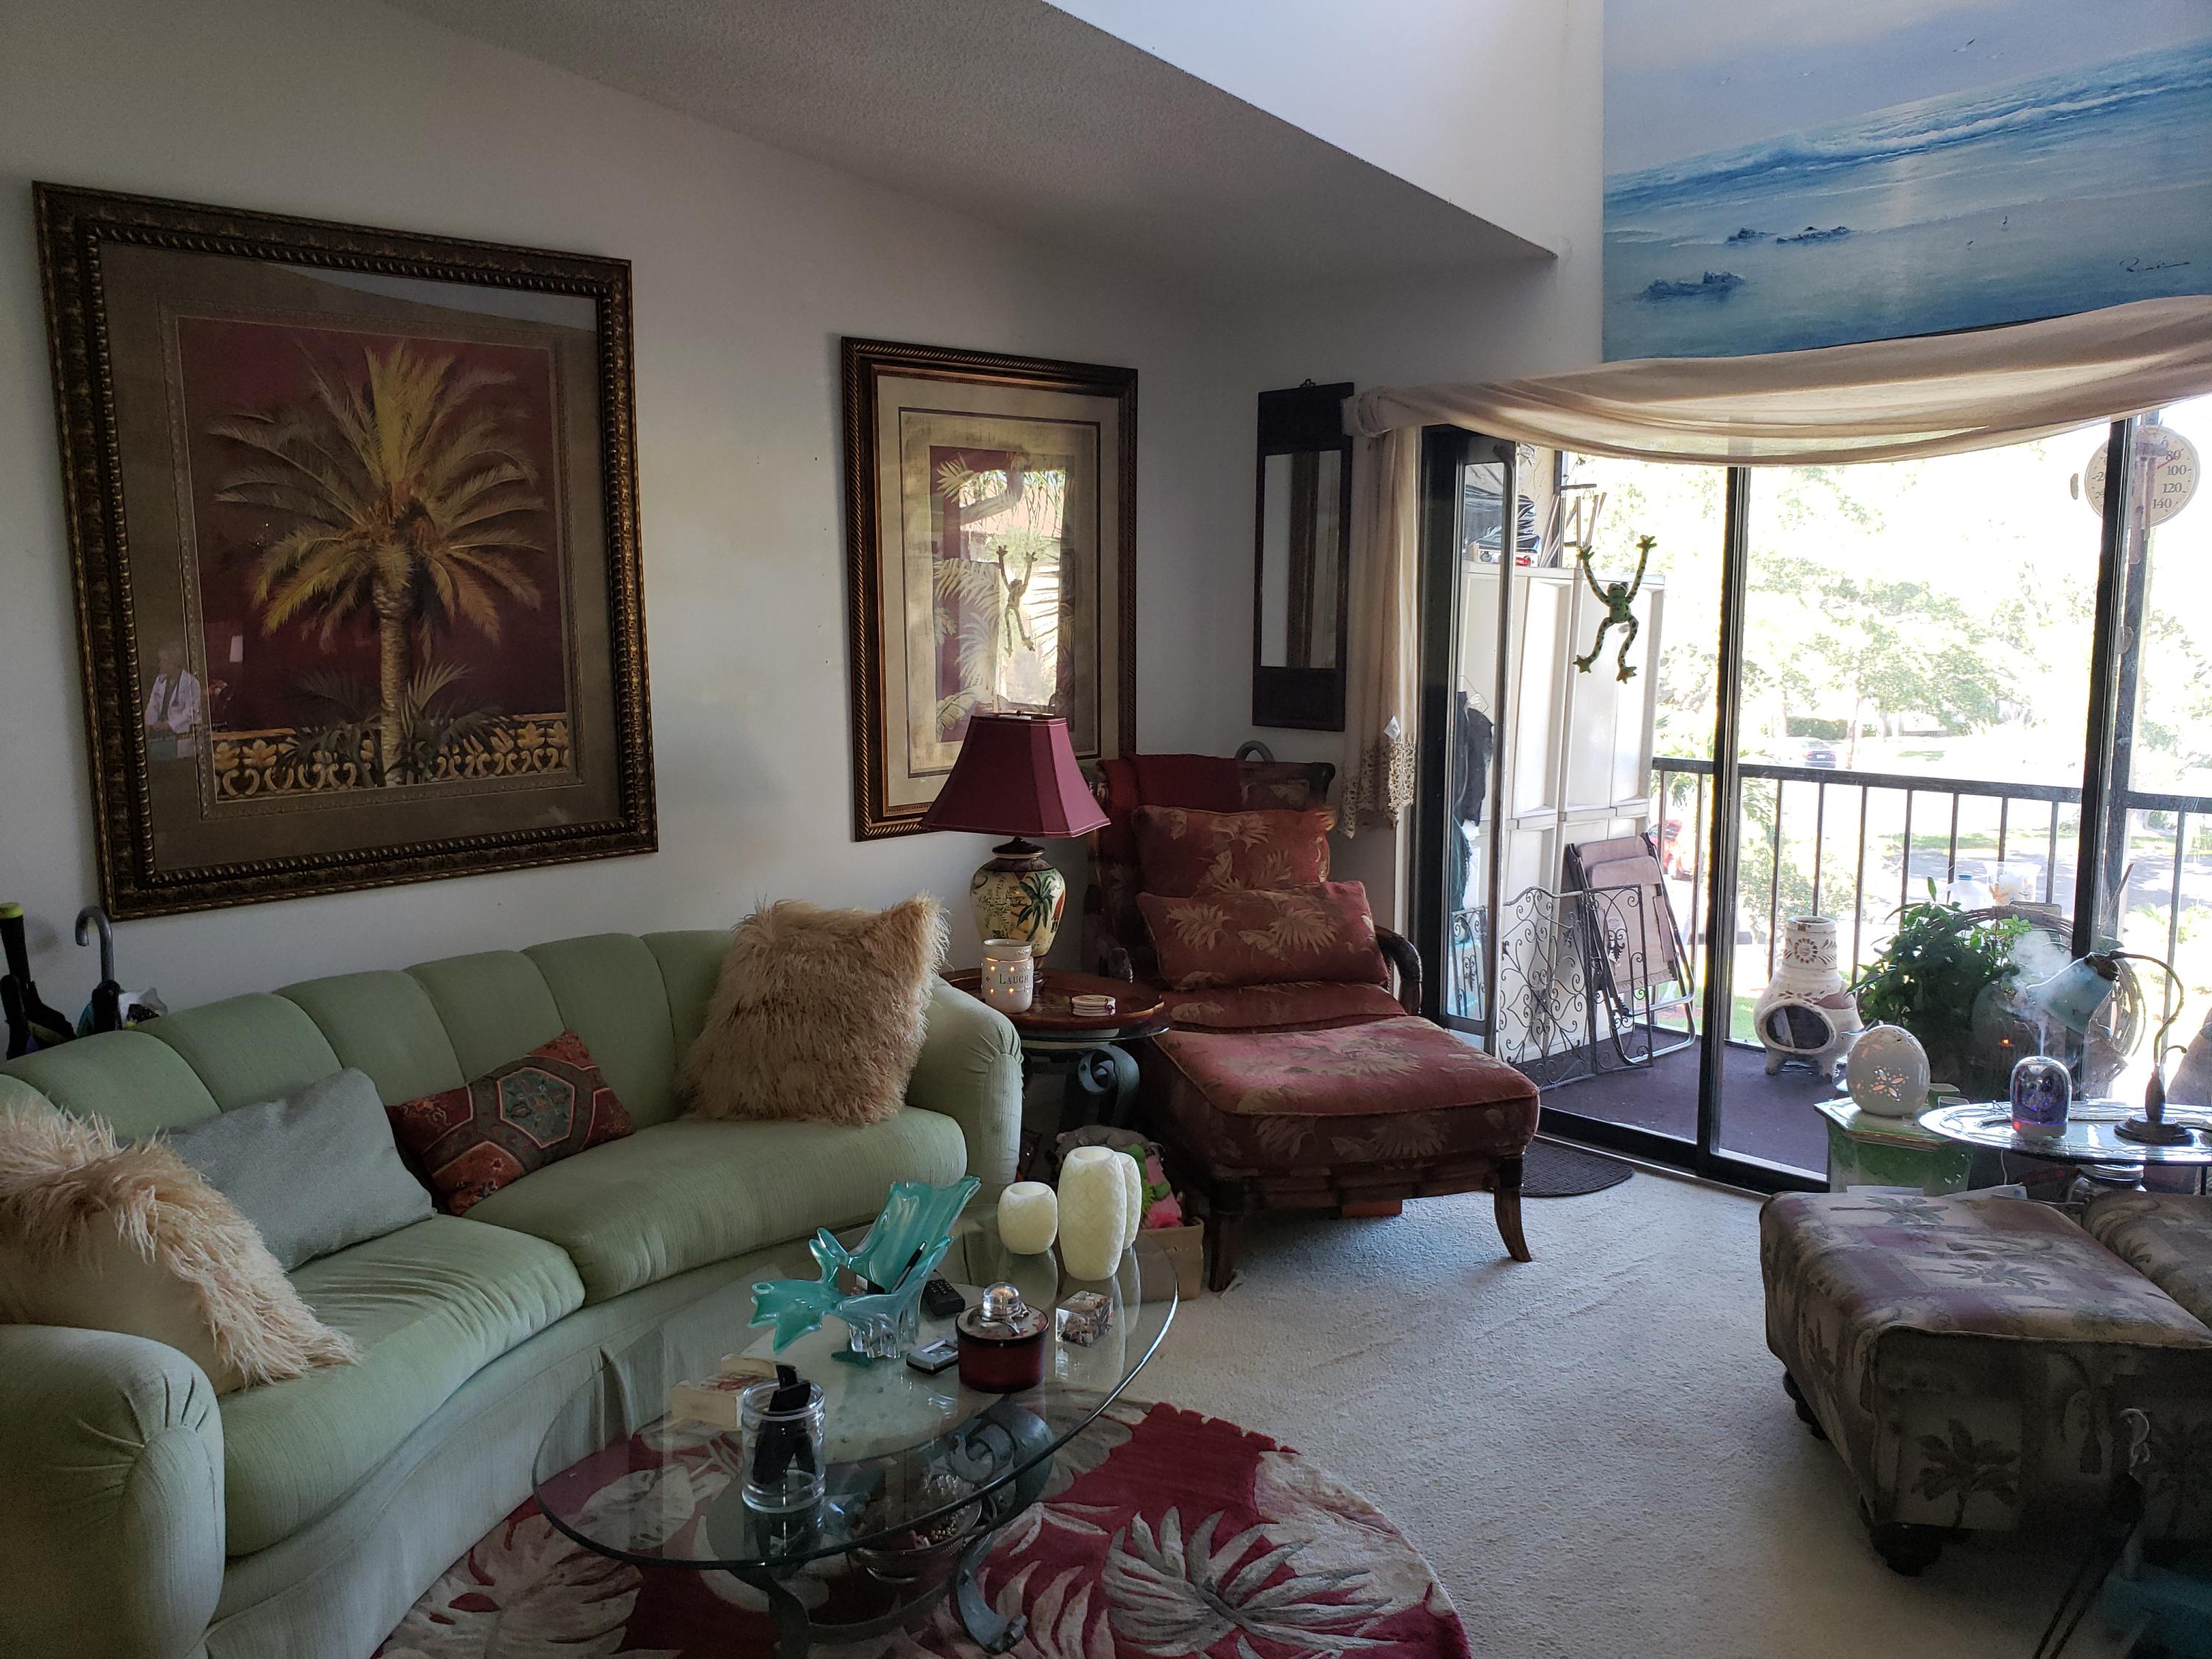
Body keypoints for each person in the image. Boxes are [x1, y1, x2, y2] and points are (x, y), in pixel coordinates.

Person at [142, 641, 201, 762]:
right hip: (160, 734)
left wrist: (168, 724)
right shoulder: (160, 681)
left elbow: (191, 712)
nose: (160, 664)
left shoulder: (191, 683)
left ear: (174, 663)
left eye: (163, 661)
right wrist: (148, 724)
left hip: (180, 734)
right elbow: (153, 705)